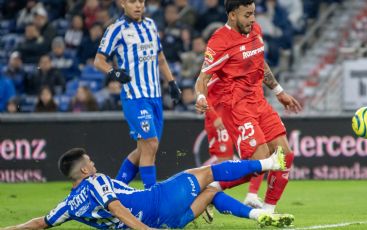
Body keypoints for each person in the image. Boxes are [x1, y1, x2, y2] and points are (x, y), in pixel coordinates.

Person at [3, 147, 294, 229]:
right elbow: (115, 206)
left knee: (211, 194)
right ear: (84, 170)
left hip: (168, 222)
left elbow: (41, 222)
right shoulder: (96, 180)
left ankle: (259, 218)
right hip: (157, 203)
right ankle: (271, 162)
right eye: (90, 162)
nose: (93, 165)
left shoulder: (68, 204)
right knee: (209, 172)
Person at [194, 0, 302, 213]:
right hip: (238, 107)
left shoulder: (255, 30)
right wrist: (200, 97)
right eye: (247, 15)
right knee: (260, 161)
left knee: (285, 154)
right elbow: (203, 78)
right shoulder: (220, 41)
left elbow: (260, 62)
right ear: (232, 15)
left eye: (253, 14)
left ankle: (269, 211)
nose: (252, 19)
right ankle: (209, 188)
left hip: (259, 101)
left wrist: (279, 91)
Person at [94, 0, 182, 189]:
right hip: (135, 97)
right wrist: (114, 73)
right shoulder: (116, 29)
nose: (138, 5)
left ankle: (114, 190)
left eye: (141, 1)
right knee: (150, 144)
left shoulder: (150, 25)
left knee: (145, 148)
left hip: (155, 96)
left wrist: (172, 82)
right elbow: (99, 60)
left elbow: (160, 57)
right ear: (123, 3)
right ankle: (151, 195)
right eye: (133, 1)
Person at [205, 76, 265, 209]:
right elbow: (202, 93)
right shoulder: (216, 67)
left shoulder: (236, 68)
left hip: (236, 116)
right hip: (219, 120)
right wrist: (214, 116)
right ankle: (207, 195)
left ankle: (252, 195)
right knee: (224, 165)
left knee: (257, 154)